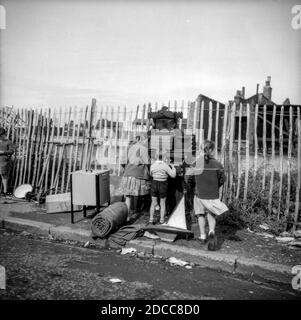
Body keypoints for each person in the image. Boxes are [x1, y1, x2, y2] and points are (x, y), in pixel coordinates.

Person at [193, 140, 228, 251]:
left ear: (201, 149)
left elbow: (188, 178)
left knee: (200, 214)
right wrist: (216, 186)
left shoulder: (196, 163)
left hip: (199, 193)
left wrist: (194, 186)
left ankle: (203, 236)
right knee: (211, 214)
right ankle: (212, 231)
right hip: (213, 194)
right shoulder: (217, 164)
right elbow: (223, 179)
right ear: (212, 150)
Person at [120, 133, 150, 220]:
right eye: (145, 140)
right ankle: (137, 211)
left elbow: (122, 161)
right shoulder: (144, 149)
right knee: (138, 195)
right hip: (138, 175)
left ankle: (126, 216)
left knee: (128, 196)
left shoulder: (129, 147)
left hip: (128, 174)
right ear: (140, 139)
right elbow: (147, 162)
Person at [149, 151, 176, 224]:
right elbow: (173, 175)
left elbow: (151, 174)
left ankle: (151, 219)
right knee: (162, 203)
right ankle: (161, 220)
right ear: (164, 157)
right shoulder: (165, 165)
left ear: (156, 157)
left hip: (154, 183)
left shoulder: (153, 165)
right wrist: (173, 167)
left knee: (153, 203)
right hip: (163, 184)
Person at [0, 127, 14, 195]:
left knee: (3, 175)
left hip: (3, 161)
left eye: (1, 135)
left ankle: (5, 191)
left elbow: (11, 151)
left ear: (4, 134)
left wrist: (3, 152)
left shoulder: (8, 142)